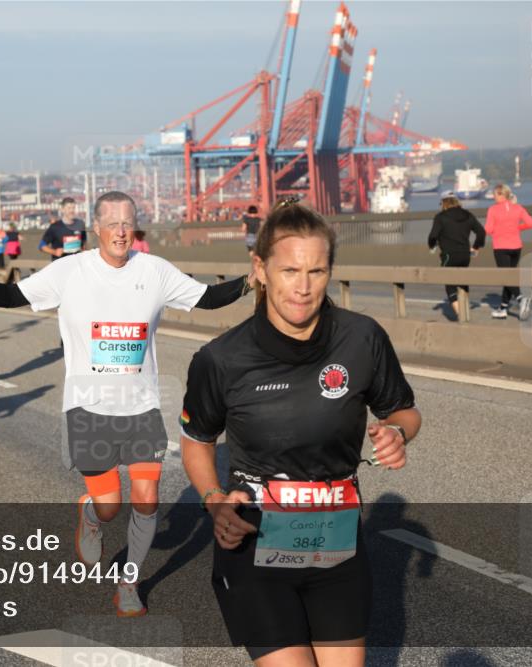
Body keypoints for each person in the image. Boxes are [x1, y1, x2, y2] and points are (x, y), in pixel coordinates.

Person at [0, 191, 258, 617]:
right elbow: (13, 296)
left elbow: (206, 297)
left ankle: (128, 583)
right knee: (111, 505)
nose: (120, 230)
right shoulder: (70, 270)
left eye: (127, 221)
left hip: (141, 407)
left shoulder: (154, 271)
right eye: (111, 222)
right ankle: (92, 516)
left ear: (135, 227)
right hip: (89, 408)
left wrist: (251, 280)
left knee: (148, 499)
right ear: (95, 228)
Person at [179, 198, 421, 667]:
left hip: (336, 546)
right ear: (261, 269)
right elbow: (197, 442)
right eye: (290, 270)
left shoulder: (362, 337)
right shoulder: (221, 358)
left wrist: (396, 431)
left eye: (317, 271)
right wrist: (213, 499)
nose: (303, 287)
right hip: (254, 545)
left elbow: (404, 411)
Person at [427, 195, 486, 319]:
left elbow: (433, 236)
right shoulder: (468, 215)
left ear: (445, 205)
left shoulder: (441, 217)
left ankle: (460, 314)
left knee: (449, 282)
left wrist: (432, 245)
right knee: (462, 281)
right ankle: (465, 310)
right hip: (465, 255)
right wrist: (476, 247)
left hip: (449, 255)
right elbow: (481, 232)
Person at [484, 184, 532, 320]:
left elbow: (488, 229)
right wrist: (517, 228)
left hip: (501, 247)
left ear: (501, 194)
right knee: (510, 276)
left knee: (506, 277)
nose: (493, 196)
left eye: (495, 194)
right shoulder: (518, 208)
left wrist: (495, 232)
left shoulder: (493, 209)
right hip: (516, 247)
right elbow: (531, 223)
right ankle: (503, 308)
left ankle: (521, 299)